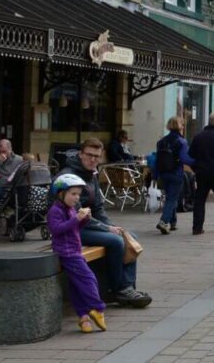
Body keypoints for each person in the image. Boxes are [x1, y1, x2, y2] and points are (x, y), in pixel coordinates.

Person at [60, 138, 152, 307]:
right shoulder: (68, 177)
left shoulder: (91, 175)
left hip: (86, 225)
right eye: (89, 155)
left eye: (97, 156)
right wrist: (106, 228)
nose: (93, 159)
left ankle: (127, 287)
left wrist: (113, 226)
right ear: (80, 154)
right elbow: (77, 215)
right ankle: (118, 290)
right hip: (69, 229)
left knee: (129, 236)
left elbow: (98, 208)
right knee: (116, 241)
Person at [48, 174, 107, 334]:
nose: (77, 198)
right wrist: (76, 219)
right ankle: (97, 308)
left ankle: (83, 317)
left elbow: (74, 228)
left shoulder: (70, 208)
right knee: (89, 279)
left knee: (76, 285)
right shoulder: (55, 211)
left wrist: (84, 219)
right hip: (67, 253)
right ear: (61, 193)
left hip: (74, 250)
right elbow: (56, 230)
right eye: (73, 194)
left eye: (78, 195)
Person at [154, 116, 194, 235]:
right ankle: (164, 221)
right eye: (182, 124)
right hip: (176, 172)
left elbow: (157, 159)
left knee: (170, 197)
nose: (183, 126)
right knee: (172, 198)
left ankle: (172, 223)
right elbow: (184, 158)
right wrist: (197, 161)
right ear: (180, 126)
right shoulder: (181, 141)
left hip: (163, 173)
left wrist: (155, 175)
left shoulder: (161, 141)